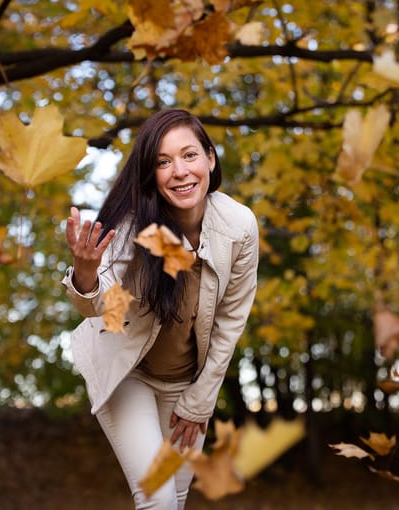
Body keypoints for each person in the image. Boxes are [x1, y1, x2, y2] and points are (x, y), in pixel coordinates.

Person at [62, 109, 259, 509]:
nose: (180, 171)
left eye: (189, 156)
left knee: (176, 497)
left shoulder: (239, 226)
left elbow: (230, 320)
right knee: (158, 499)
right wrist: (85, 274)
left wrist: (201, 400)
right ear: (151, 174)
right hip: (128, 372)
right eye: (163, 162)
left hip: (186, 381)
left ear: (210, 159)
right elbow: (104, 306)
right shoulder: (135, 227)